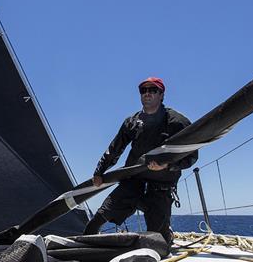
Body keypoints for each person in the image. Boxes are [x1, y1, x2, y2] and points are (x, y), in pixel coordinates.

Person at [83, 77, 197, 243]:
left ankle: (166, 231)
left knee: (159, 240)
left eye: (153, 90)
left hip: (161, 186)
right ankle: (85, 248)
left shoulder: (178, 122)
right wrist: (99, 172)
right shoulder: (132, 122)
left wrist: (168, 165)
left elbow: (192, 155)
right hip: (134, 180)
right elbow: (115, 148)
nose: (147, 93)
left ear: (161, 95)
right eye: (144, 90)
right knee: (98, 219)